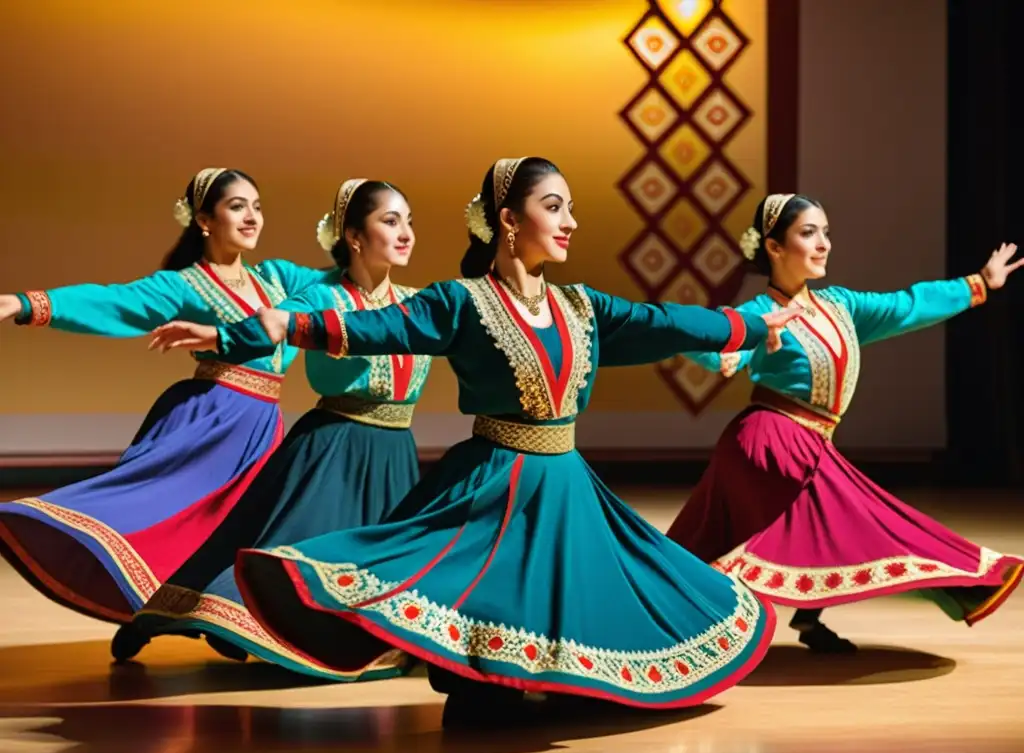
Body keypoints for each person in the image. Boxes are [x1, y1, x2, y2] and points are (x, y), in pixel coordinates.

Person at [151, 157, 800, 722]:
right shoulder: (462, 302)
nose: (570, 220)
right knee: (482, 589)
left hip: (566, 479)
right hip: (496, 477)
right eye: (554, 207)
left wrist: (744, 326)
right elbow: (378, 328)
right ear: (509, 221)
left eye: (570, 208)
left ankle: (555, 678)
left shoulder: (582, 306)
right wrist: (278, 325)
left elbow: (662, 322)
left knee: (587, 592)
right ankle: (475, 677)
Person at [664, 192, 1024, 653]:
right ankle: (729, 628)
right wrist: (735, 333)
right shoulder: (759, 313)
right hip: (770, 440)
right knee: (845, 518)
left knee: (821, 524)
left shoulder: (841, 306)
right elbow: (705, 340)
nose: (824, 244)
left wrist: (978, 284)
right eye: (808, 233)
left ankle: (784, 622)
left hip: (808, 440)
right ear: (774, 247)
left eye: (826, 233)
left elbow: (907, 305)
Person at [111, 179, 431, 679]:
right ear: (353, 235)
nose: (406, 232)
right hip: (336, 449)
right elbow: (271, 324)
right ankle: (181, 619)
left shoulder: (419, 301)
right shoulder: (322, 294)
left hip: (395, 455)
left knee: (377, 572)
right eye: (391, 221)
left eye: (409, 221)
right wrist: (219, 334)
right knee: (282, 563)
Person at [0, 169, 331, 649]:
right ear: (203, 219)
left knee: (239, 530)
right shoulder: (186, 286)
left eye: (257, 206)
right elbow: (116, 300)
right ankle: (146, 618)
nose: (252, 217)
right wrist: (24, 303)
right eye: (237, 206)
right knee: (171, 518)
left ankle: (212, 619)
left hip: (262, 425)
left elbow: (337, 286)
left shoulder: (279, 278)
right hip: (213, 423)